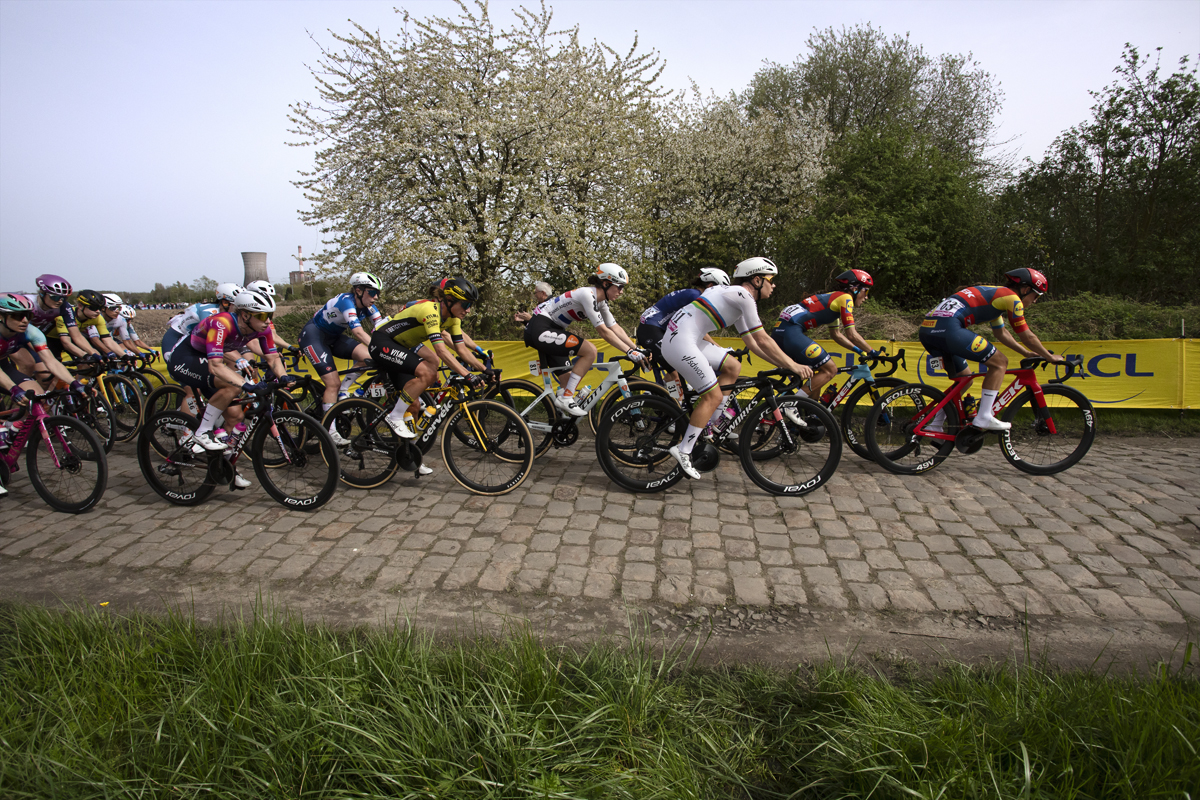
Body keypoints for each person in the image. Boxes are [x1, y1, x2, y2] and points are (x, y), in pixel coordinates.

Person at [659, 257, 813, 480]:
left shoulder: (737, 299)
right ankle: (683, 450)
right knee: (712, 396)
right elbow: (763, 338)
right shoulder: (743, 296)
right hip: (680, 342)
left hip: (686, 338)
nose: (774, 285)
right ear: (757, 280)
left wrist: (782, 365)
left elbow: (753, 343)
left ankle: (711, 424)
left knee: (733, 365)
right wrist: (794, 365)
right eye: (771, 280)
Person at [165, 288, 291, 487]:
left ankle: (225, 467)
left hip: (208, 358)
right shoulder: (222, 323)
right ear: (245, 315)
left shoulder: (262, 328)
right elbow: (216, 366)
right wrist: (247, 385)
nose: (268, 321)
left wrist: (284, 377)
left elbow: (273, 357)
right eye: (262, 316)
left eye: (270, 315)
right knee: (232, 385)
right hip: (185, 358)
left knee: (235, 416)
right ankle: (202, 432)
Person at [919, 268, 1064, 431]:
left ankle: (935, 425)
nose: (1035, 301)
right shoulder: (1012, 298)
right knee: (1000, 363)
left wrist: (1026, 353)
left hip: (927, 331)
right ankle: (984, 417)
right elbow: (1027, 336)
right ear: (1026, 289)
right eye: (1036, 296)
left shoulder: (996, 296)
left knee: (965, 379)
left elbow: (1001, 333)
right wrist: (1049, 356)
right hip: (949, 330)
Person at [368, 276, 487, 440]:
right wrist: (468, 375)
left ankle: (407, 450)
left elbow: (461, 350)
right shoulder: (430, 312)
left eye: (470, 306)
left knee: (417, 400)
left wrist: (485, 370)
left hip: (402, 346)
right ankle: (395, 416)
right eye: (466, 305)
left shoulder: (453, 319)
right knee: (428, 372)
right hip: (383, 342)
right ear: (449, 300)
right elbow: (441, 351)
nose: (468, 310)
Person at [523, 263, 644, 417]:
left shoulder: (600, 302)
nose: (621, 292)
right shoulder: (588, 295)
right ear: (605, 284)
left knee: (567, 381)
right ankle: (566, 399)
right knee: (590, 351)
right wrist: (629, 351)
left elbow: (614, 327)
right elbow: (603, 331)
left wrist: (635, 348)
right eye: (619, 287)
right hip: (541, 328)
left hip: (553, 330)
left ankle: (561, 422)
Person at [0, 293, 87, 496]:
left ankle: (11, 431)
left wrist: (74, 383)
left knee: (37, 396)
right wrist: (13, 388)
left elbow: (51, 361)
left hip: (3, 364)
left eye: (28, 316)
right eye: (18, 316)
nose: (24, 320)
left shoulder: (30, 331)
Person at [771, 269, 878, 415]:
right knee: (830, 369)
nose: (866, 297)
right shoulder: (846, 298)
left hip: (781, 332)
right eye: (866, 291)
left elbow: (836, 335)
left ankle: (811, 415)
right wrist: (872, 351)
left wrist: (859, 350)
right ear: (855, 288)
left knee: (818, 372)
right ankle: (790, 406)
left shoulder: (834, 299)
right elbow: (852, 334)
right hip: (791, 332)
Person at [298, 272, 384, 428]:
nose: (376, 297)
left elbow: (382, 329)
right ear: (358, 291)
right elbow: (358, 332)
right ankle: (329, 431)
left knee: (368, 357)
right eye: (372, 292)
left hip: (334, 337)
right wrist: (380, 349)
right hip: (314, 336)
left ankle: (344, 391)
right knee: (333, 384)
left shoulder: (369, 307)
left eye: (377, 293)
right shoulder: (346, 302)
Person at [636, 268, 729, 377]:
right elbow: (699, 330)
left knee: (684, 367)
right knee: (676, 373)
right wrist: (719, 348)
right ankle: (666, 387)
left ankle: (665, 387)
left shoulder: (693, 293)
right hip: (651, 330)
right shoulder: (696, 297)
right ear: (710, 285)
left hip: (657, 328)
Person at [161, 283, 242, 356]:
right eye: (236, 305)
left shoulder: (227, 314)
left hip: (192, 340)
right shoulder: (208, 312)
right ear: (225, 303)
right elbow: (214, 341)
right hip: (176, 337)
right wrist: (239, 359)